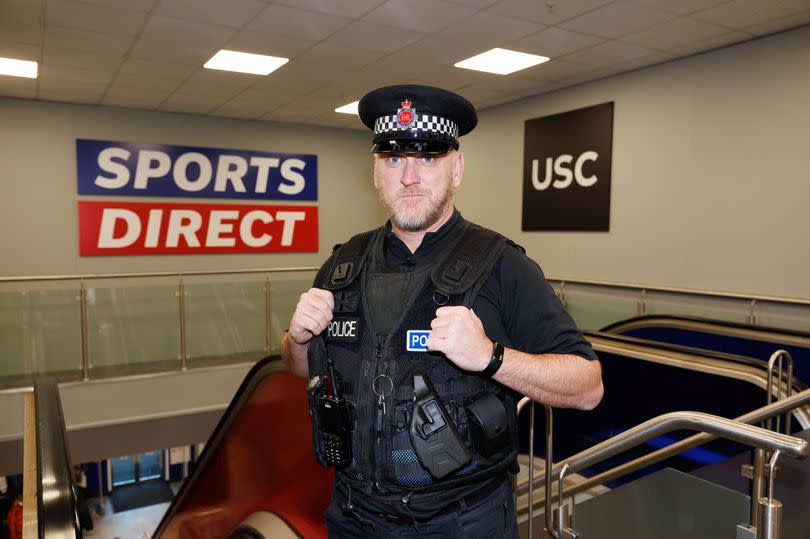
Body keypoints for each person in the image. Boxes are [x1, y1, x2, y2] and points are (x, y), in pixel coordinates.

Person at [280, 84, 603, 538]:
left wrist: (492, 357)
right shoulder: (342, 265)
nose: (409, 176)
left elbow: (588, 385)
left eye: (428, 158)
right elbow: (297, 367)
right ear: (375, 172)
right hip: (353, 518)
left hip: (459, 523)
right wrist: (297, 339)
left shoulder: (502, 265)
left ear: (457, 169)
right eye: (393, 159)